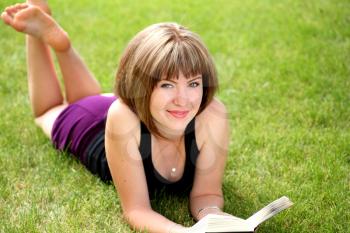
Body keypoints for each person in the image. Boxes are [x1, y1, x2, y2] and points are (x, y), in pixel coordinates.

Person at [1, 1, 230, 232]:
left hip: (141, 109)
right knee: (48, 111)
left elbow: (207, 194)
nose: (183, 99)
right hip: (90, 123)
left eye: (193, 83)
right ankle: (37, 33)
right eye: (167, 85)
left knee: (89, 98)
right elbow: (136, 210)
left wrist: (216, 221)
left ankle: (63, 48)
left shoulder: (213, 114)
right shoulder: (122, 116)